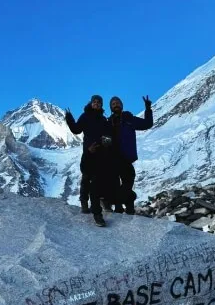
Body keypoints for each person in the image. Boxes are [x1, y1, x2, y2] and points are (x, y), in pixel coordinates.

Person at [65, 95, 112, 227]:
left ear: (101, 105)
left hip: (100, 155)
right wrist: (69, 119)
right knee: (86, 178)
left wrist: (105, 144)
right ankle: (84, 203)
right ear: (91, 103)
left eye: (99, 102)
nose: (96, 104)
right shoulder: (85, 116)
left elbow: (108, 137)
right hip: (88, 153)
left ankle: (97, 213)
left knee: (95, 183)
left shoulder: (104, 120)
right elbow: (76, 129)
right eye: (94, 102)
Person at [107, 95, 153, 214]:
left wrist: (148, 109)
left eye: (117, 102)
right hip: (112, 158)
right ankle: (124, 208)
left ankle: (121, 205)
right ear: (111, 108)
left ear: (121, 105)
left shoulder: (129, 118)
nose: (116, 104)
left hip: (126, 157)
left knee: (128, 183)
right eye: (113, 104)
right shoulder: (108, 122)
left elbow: (147, 124)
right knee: (116, 184)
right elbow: (104, 140)